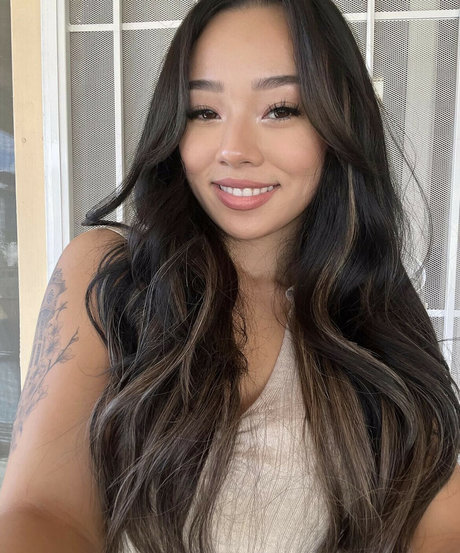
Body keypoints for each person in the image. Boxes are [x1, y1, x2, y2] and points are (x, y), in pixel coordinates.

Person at [1, 0, 460, 551]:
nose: (234, 150)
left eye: (281, 109)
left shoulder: (378, 302)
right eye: (204, 111)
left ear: (339, 124)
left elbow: (439, 507)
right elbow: (42, 509)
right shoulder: (111, 274)